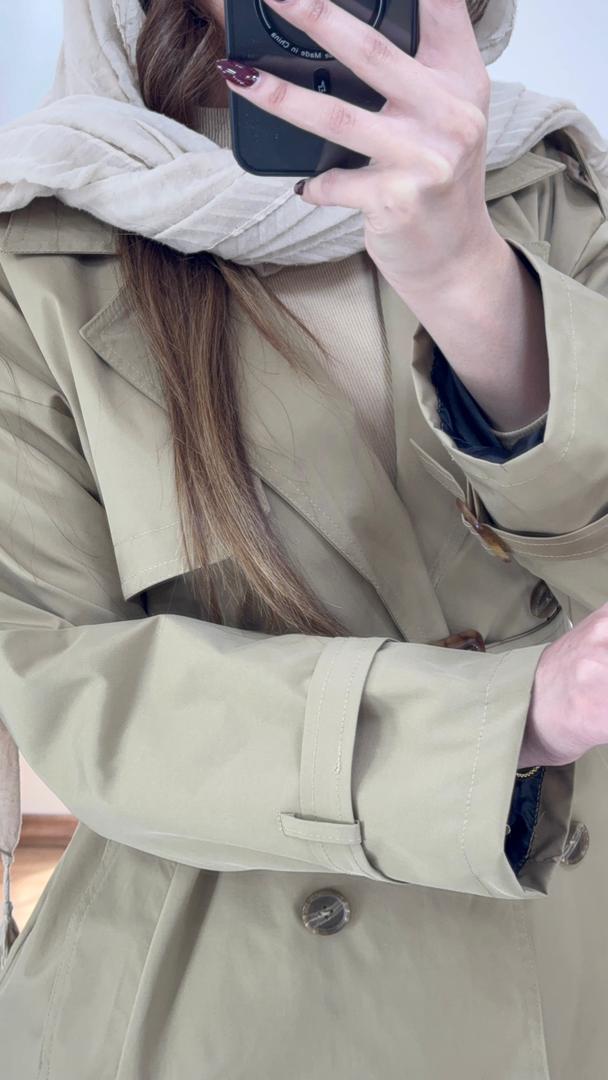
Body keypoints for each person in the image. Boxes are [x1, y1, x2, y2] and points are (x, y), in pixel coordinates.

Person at [0, 0, 607, 1076]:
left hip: (567, 972)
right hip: (218, 1013)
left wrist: (470, 277)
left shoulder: (550, 186)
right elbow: (64, 682)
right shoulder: (37, 244)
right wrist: (503, 719)